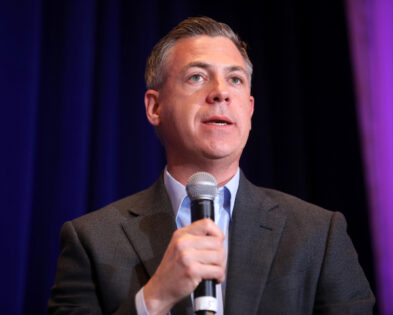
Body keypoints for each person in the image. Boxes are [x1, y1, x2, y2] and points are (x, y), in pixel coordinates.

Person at [48, 17, 375, 314]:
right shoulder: (91, 240)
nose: (220, 92)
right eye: (197, 77)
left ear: (249, 109)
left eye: (234, 79)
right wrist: (154, 299)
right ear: (154, 107)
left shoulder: (319, 233)